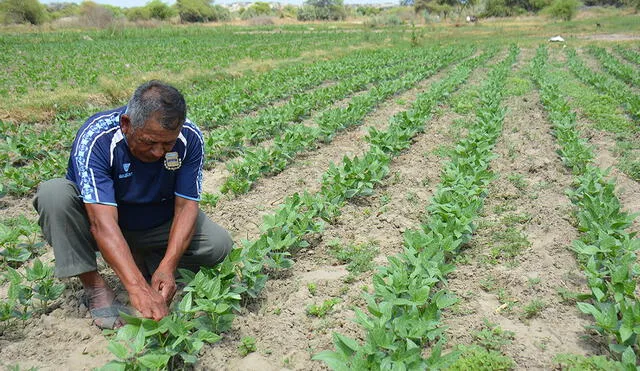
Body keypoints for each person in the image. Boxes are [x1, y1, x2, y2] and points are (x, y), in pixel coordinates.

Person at [33, 80, 233, 329]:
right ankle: (95, 286)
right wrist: (136, 288)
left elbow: (185, 206)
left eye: (167, 144)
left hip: (156, 221)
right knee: (54, 194)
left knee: (218, 245)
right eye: (149, 142)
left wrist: (168, 265)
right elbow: (101, 223)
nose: (159, 152)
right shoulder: (98, 138)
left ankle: (149, 261)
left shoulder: (189, 138)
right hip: (105, 222)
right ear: (126, 125)